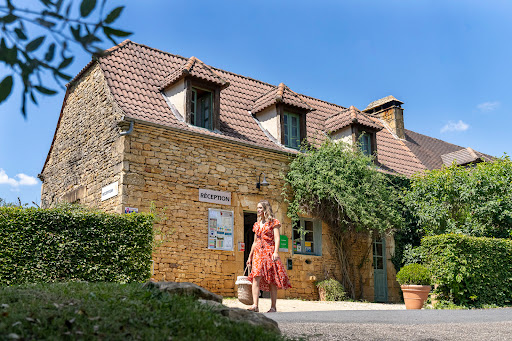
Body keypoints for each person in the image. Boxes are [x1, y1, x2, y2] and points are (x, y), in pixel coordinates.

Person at [246, 200, 291, 312]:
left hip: (269, 252)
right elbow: (255, 242)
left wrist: (276, 252)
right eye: (257, 208)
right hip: (257, 253)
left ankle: (273, 307)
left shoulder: (273, 222)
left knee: (271, 279)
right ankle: (255, 305)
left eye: (260, 208)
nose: (258, 210)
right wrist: (250, 257)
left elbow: (277, 238)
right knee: (255, 277)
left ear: (266, 209)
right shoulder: (256, 225)